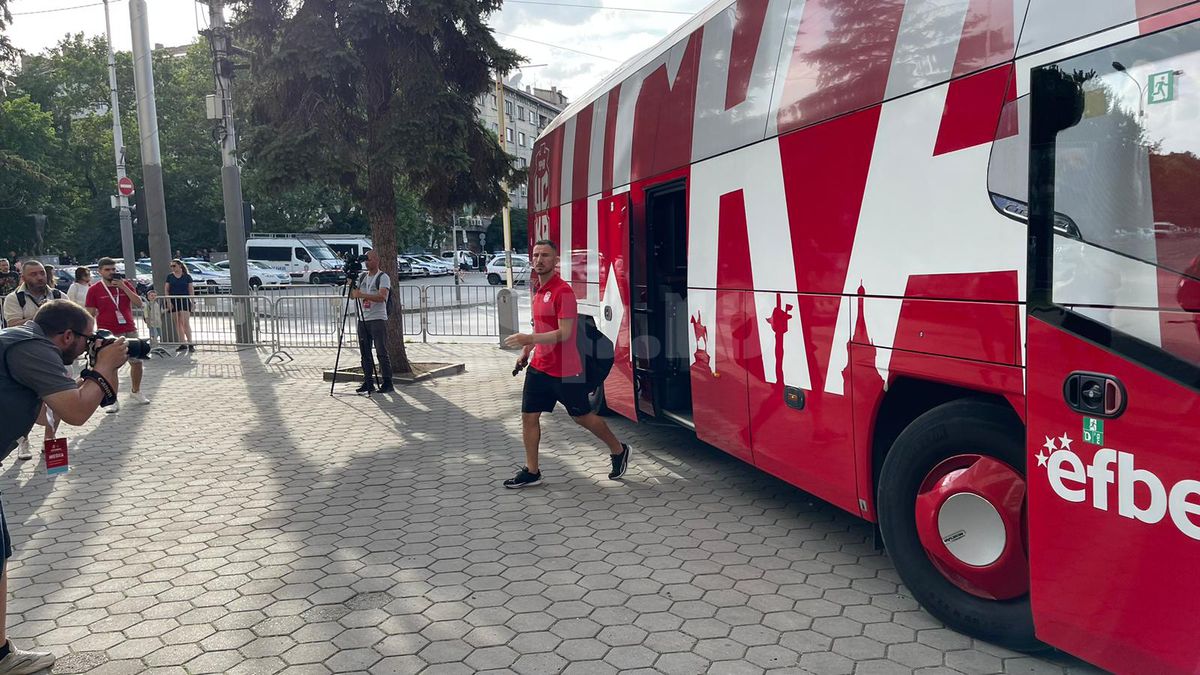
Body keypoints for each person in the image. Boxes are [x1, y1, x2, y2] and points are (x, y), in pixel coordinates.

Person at [0, 299, 130, 673]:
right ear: (67, 335)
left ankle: (0, 652)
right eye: (88, 339)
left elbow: (58, 409)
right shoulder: (33, 349)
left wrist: (103, 370)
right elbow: (75, 411)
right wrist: (103, 365)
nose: (90, 345)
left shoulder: (22, 342)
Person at [502, 239, 630, 488]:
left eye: (545, 256)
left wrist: (528, 339)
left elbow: (565, 332)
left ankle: (619, 450)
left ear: (556, 261)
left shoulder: (564, 292)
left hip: (565, 370)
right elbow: (539, 326)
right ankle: (532, 471)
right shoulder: (538, 289)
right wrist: (527, 352)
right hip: (539, 367)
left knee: (582, 417)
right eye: (536, 255)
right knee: (529, 417)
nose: (539, 260)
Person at [85, 257, 150, 411]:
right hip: (109, 332)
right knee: (112, 366)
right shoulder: (94, 289)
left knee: (136, 361)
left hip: (129, 328)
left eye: (114, 269)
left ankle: (136, 391)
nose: (111, 272)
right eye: (107, 270)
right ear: (100, 271)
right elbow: (90, 313)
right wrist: (89, 334)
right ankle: (113, 399)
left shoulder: (124, 284)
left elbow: (138, 303)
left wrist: (124, 288)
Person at [349, 250, 393, 394]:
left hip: (377, 319)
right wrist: (351, 284)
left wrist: (361, 294)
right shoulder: (362, 277)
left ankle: (387, 382)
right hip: (363, 319)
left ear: (376, 260)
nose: (367, 262)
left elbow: (381, 297)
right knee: (365, 352)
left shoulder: (383, 277)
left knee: (381, 351)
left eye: (369, 259)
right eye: (365, 260)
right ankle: (368, 382)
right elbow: (352, 296)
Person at [164, 259, 194, 353]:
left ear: (180, 266)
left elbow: (191, 290)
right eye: (171, 266)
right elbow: (166, 289)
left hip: (184, 300)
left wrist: (193, 302)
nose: (173, 268)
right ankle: (182, 343)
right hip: (173, 300)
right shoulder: (170, 276)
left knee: (185, 322)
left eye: (174, 266)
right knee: (177, 323)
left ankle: (190, 343)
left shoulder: (187, 277)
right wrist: (168, 301)